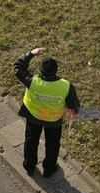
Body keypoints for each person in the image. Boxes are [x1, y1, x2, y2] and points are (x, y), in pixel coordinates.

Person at [14, 48, 80, 178]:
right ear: (56, 71)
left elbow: (18, 68)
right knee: (53, 145)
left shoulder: (32, 81)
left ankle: (29, 166)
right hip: (54, 121)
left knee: (31, 141)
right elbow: (74, 106)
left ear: (41, 70)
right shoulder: (65, 86)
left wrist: (31, 54)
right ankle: (49, 169)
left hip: (33, 117)